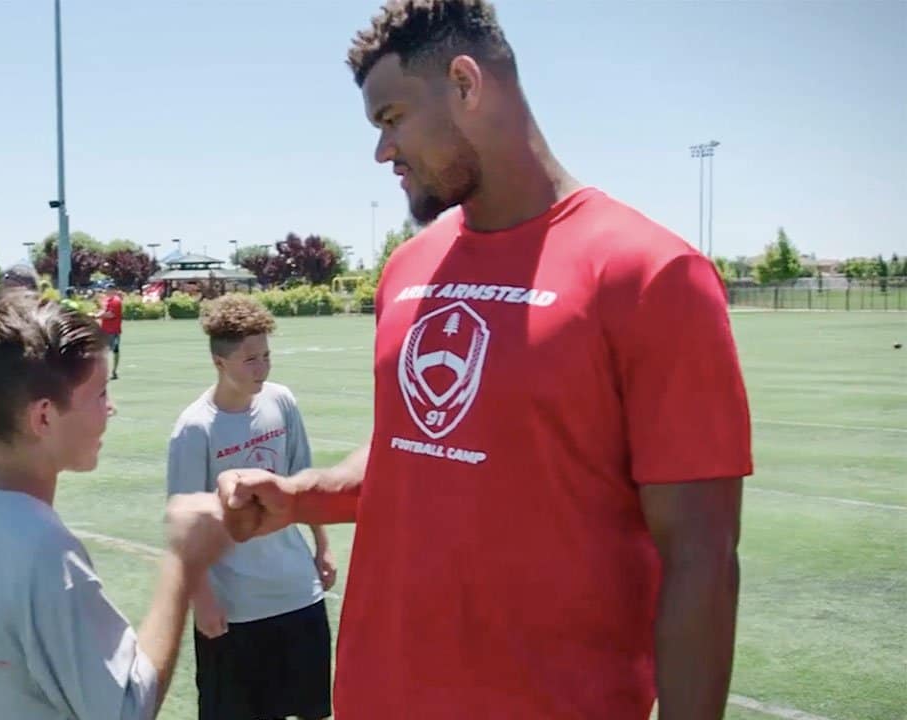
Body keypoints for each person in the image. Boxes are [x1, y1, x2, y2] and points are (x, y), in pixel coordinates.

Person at [218, 2, 753, 719]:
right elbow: (415, 450)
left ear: (466, 85)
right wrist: (299, 496)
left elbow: (702, 559)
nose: (383, 152)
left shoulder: (651, 276)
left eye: (392, 119)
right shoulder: (409, 267)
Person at [0, 291, 230, 719]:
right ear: (44, 417)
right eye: (99, 395)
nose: (111, 409)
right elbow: (126, 709)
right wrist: (182, 564)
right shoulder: (45, 556)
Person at [167, 294, 336, 720]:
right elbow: (185, 525)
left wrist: (323, 546)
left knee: (311, 710)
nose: (262, 368)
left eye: (266, 356)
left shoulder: (281, 402)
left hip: (298, 594)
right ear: (219, 363)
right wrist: (202, 597)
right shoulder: (194, 428)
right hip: (236, 609)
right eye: (250, 360)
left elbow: (304, 479)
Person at [95, 285, 124, 379]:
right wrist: (97, 314)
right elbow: (104, 311)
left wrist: (96, 316)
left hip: (113, 331)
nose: (106, 292)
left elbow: (110, 315)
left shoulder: (116, 301)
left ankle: (113, 371)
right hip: (105, 330)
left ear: (113, 290)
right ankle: (106, 371)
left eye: (107, 290)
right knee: (104, 351)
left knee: (113, 351)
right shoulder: (108, 301)